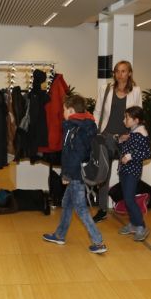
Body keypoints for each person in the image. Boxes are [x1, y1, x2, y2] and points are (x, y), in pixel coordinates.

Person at [42, 94, 107, 254]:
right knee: (67, 203)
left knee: (81, 209)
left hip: (75, 174)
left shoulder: (73, 128)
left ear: (71, 111)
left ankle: (98, 242)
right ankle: (60, 235)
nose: (63, 113)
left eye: (64, 110)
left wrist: (66, 175)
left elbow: (73, 155)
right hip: (81, 171)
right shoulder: (87, 125)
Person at [92, 60, 143, 222]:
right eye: (117, 71)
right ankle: (102, 209)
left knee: (127, 175)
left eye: (123, 71)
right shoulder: (105, 89)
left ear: (129, 73)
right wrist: (95, 132)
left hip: (126, 139)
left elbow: (138, 116)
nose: (119, 74)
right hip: (106, 137)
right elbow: (97, 112)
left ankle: (129, 208)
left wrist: (133, 134)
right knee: (103, 175)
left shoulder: (136, 91)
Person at [116, 106, 151, 241]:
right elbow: (125, 149)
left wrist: (130, 156)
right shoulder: (132, 133)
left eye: (127, 118)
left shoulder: (141, 134)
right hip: (125, 171)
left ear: (136, 120)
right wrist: (121, 141)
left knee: (130, 199)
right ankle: (133, 224)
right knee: (127, 199)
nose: (124, 120)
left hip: (132, 172)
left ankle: (141, 226)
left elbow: (147, 153)